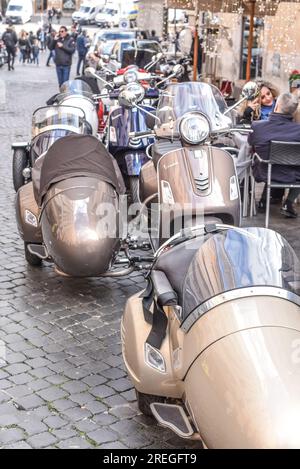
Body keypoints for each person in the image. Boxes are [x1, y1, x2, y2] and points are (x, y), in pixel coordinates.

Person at [248, 92, 300, 218]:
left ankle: (263, 201)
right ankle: (288, 202)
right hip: (292, 176)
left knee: (268, 160)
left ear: (276, 106)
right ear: (293, 111)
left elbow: (250, 143)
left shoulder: (258, 127)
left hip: (264, 172)